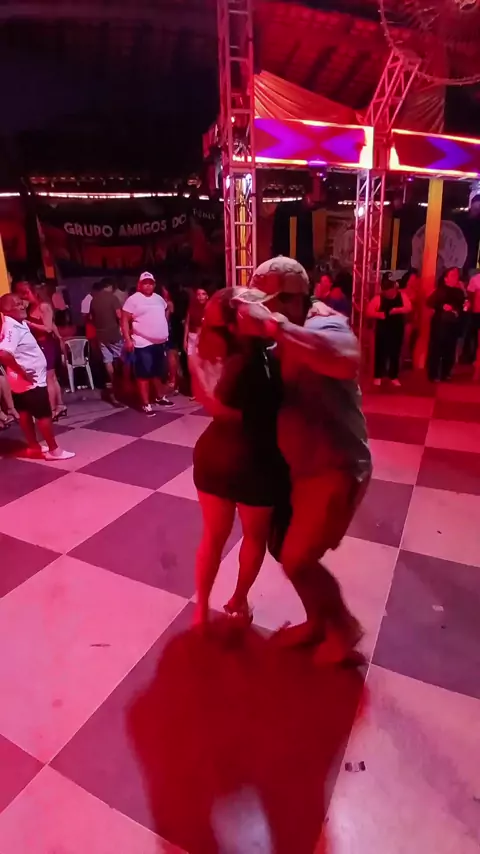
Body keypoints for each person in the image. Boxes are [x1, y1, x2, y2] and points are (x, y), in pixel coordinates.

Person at [235, 255, 372, 665]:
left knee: (297, 557)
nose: (264, 311)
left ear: (294, 300)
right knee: (287, 551)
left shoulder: (325, 323)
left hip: (335, 465)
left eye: (270, 302)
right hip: (300, 466)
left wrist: (275, 326)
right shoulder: (284, 332)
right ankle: (317, 621)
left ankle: (344, 628)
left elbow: (343, 358)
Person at [191, 288, 287, 628]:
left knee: (212, 537)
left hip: (215, 456)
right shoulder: (265, 357)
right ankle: (238, 600)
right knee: (254, 538)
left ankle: (201, 612)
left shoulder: (214, 355)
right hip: (256, 459)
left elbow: (220, 408)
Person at [0, 293, 74, 460]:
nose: (22, 306)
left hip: (23, 381)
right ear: (6, 310)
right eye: (17, 304)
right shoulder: (12, 327)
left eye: (21, 303)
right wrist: (22, 372)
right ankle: (54, 450)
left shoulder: (18, 323)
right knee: (43, 414)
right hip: (30, 381)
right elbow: (4, 353)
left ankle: (34, 447)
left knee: (25, 412)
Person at [121, 272, 174, 416]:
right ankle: (145, 403)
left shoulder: (158, 299)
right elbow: (124, 320)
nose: (148, 285)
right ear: (139, 285)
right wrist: (128, 339)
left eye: (150, 283)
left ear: (154, 285)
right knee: (143, 374)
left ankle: (159, 396)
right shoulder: (133, 300)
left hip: (160, 342)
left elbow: (165, 311)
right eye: (145, 283)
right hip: (142, 342)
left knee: (158, 372)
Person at [15, 281, 67, 419]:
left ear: (34, 292)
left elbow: (48, 328)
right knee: (52, 377)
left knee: (49, 378)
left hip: (46, 344)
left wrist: (29, 323)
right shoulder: (31, 307)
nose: (24, 297)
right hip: (39, 344)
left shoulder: (44, 306)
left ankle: (52, 410)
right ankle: (60, 405)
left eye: (26, 293)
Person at [367, 273, 411, 387]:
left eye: (390, 290)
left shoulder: (402, 296)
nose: (389, 293)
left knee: (395, 353)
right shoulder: (378, 298)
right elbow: (369, 312)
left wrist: (397, 310)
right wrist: (379, 314)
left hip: (397, 328)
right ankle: (378, 376)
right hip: (383, 328)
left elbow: (409, 307)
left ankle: (393, 376)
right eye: (386, 291)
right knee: (380, 353)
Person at [427, 267, 466, 383]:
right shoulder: (440, 290)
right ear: (446, 278)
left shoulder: (459, 292)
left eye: (456, 275)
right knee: (436, 349)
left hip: (453, 325)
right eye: (452, 275)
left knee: (450, 349)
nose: (455, 277)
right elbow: (429, 302)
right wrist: (442, 306)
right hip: (440, 324)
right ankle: (434, 374)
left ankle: (446, 373)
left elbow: (463, 306)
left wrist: (462, 308)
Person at [90, 277, 123, 406]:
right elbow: (119, 315)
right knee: (121, 359)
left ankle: (111, 381)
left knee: (107, 360)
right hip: (113, 333)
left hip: (101, 334)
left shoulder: (94, 300)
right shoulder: (113, 298)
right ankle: (119, 384)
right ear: (110, 286)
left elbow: (91, 318)